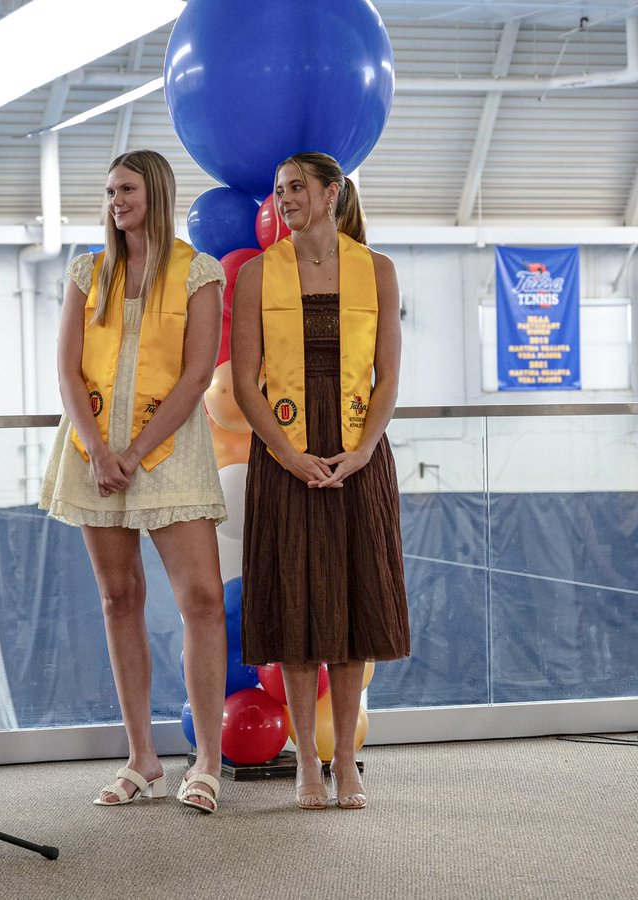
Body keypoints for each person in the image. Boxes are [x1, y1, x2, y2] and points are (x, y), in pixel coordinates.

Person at [39, 149, 227, 813]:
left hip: (170, 449)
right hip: (94, 454)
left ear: (157, 192)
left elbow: (198, 374)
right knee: (119, 597)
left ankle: (206, 761)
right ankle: (141, 757)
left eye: (128, 188)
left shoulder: (199, 272)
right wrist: (96, 449)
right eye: (110, 188)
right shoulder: (88, 271)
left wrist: (138, 449)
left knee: (202, 599)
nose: (116, 200)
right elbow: (67, 370)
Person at [230, 152, 410, 811]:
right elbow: (245, 380)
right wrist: (282, 452)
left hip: (358, 452)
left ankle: (345, 763)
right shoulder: (255, 275)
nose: (285, 198)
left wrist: (363, 453)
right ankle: (307, 759)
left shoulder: (378, 270)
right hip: (286, 455)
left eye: (297, 187)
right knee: (299, 607)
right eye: (278, 190)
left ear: (331, 193)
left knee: (355, 605)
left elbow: (387, 376)